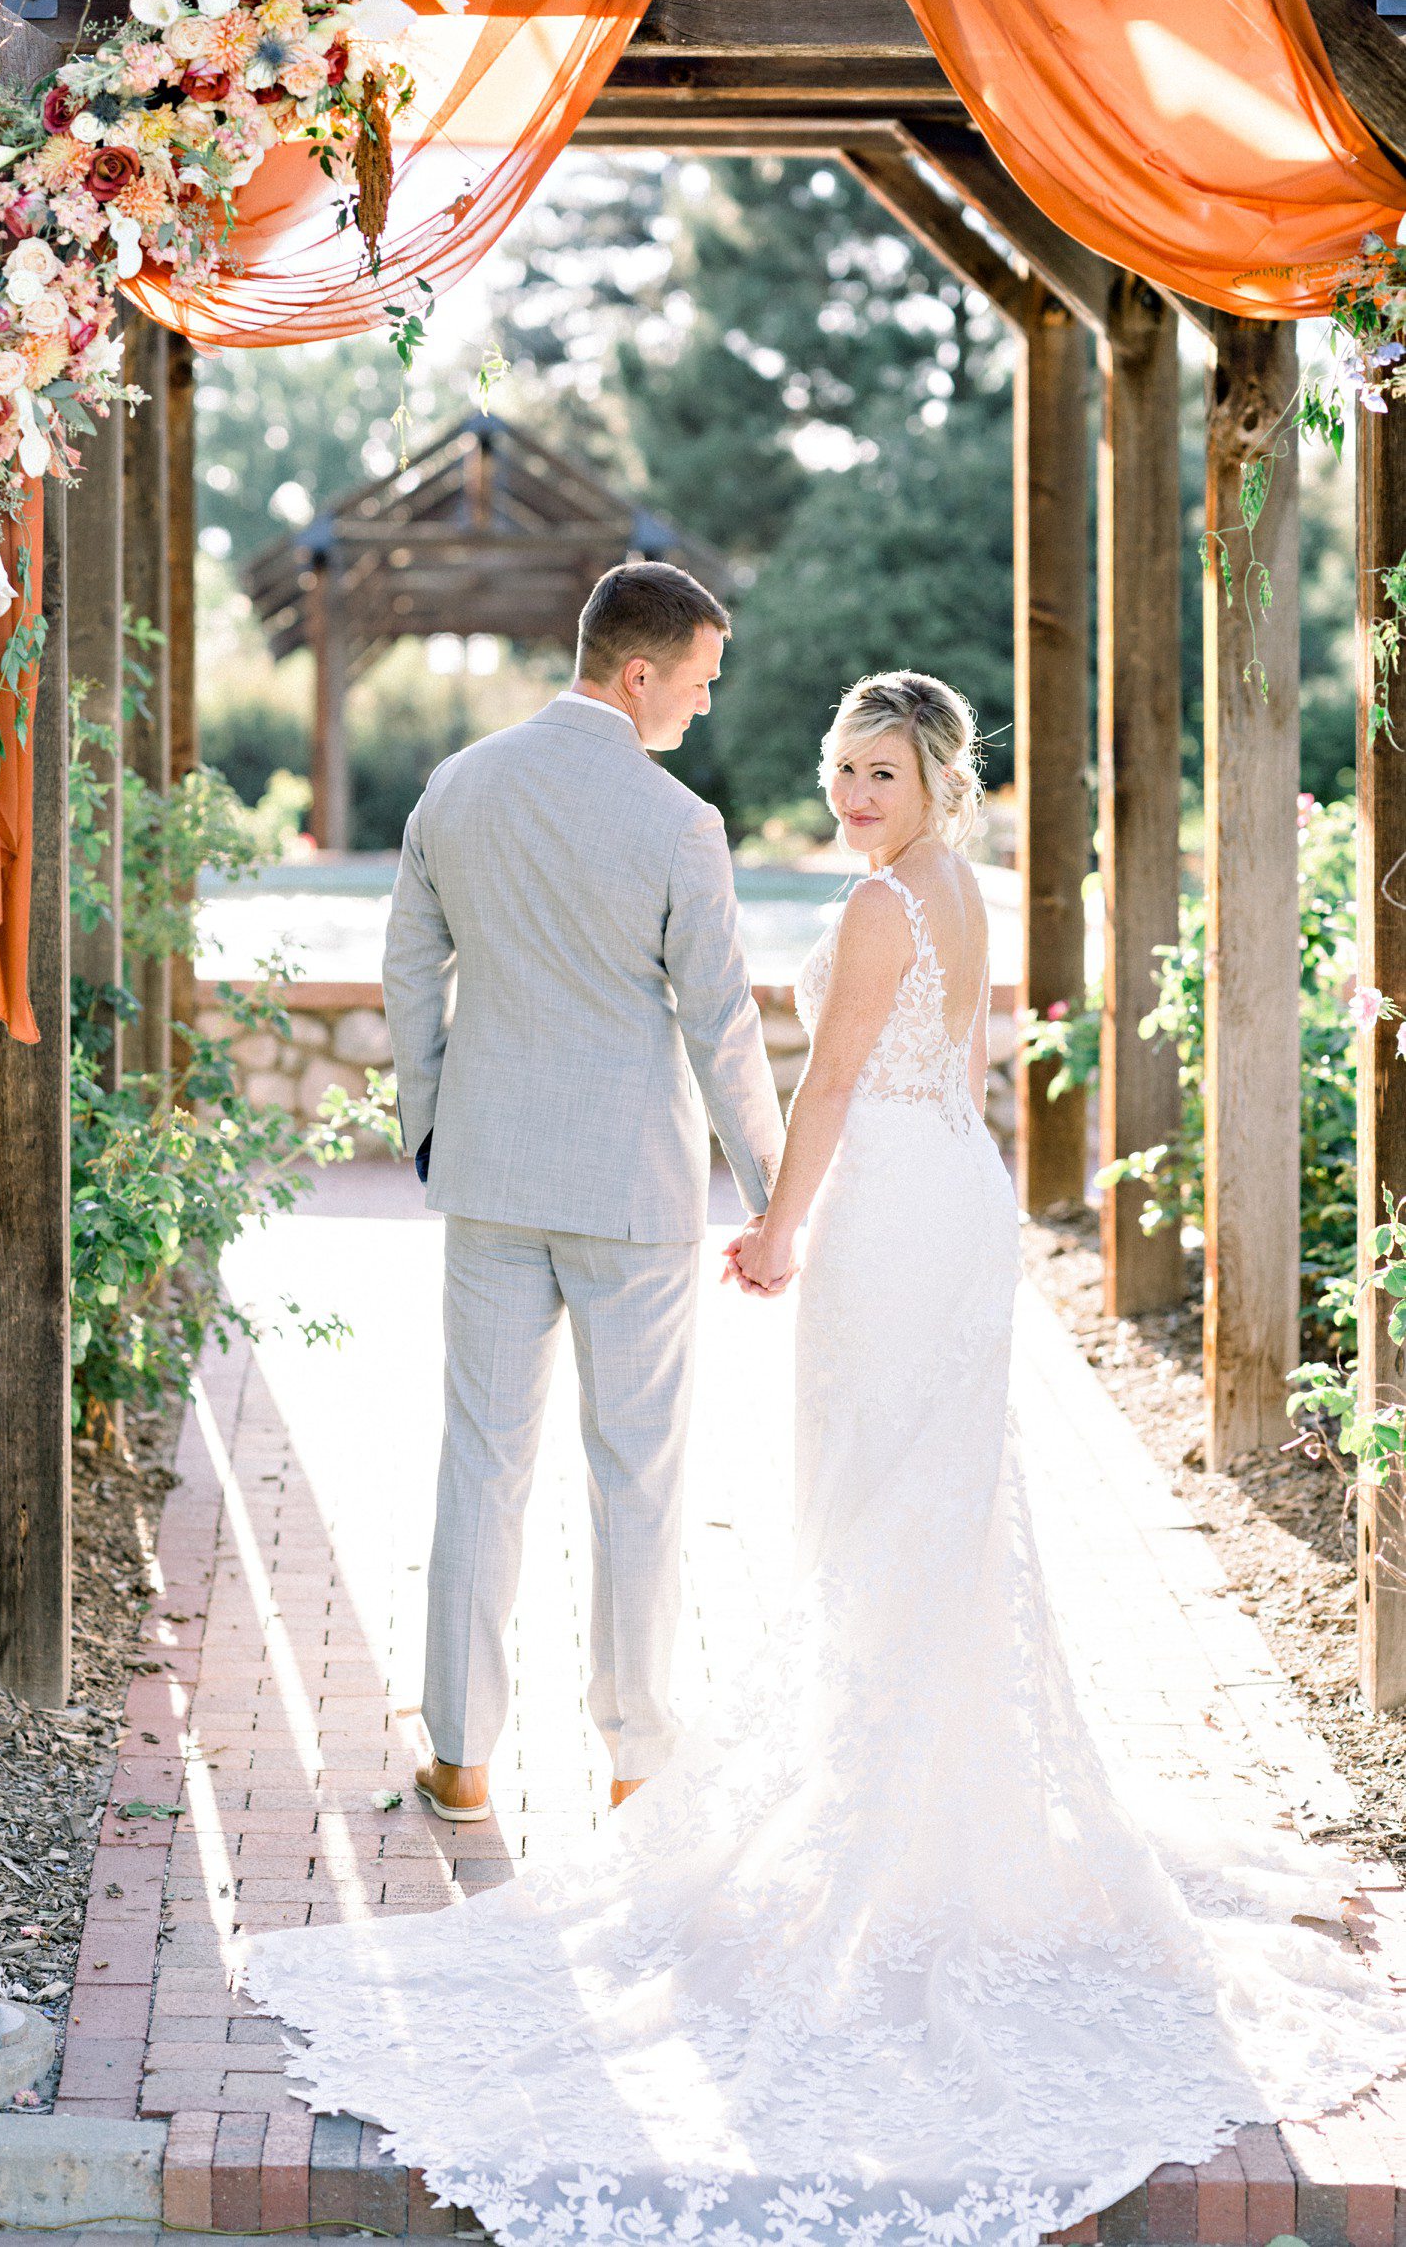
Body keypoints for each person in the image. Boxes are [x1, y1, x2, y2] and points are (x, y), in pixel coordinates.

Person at [241, 668, 1406, 2247]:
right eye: (840, 770)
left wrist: (777, 1226)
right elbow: (945, 1077)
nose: (853, 796)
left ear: (935, 776)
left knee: (880, 1508)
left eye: (879, 773)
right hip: (955, 1196)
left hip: (890, 1219)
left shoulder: (875, 913)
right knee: (927, 1510)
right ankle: (933, 1793)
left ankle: (899, 1817)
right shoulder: (951, 890)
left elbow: (836, 1082)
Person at [379, 560, 784, 1823]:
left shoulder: (457, 786)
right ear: (640, 670)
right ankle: (632, 1765)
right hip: (633, 1193)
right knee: (639, 1476)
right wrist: (775, 1196)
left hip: (491, 1178)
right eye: (700, 683)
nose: (703, 711)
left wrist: (435, 1124)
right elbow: (723, 1027)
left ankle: (460, 1762)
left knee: (481, 1467)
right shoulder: (680, 825)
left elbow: (406, 972)